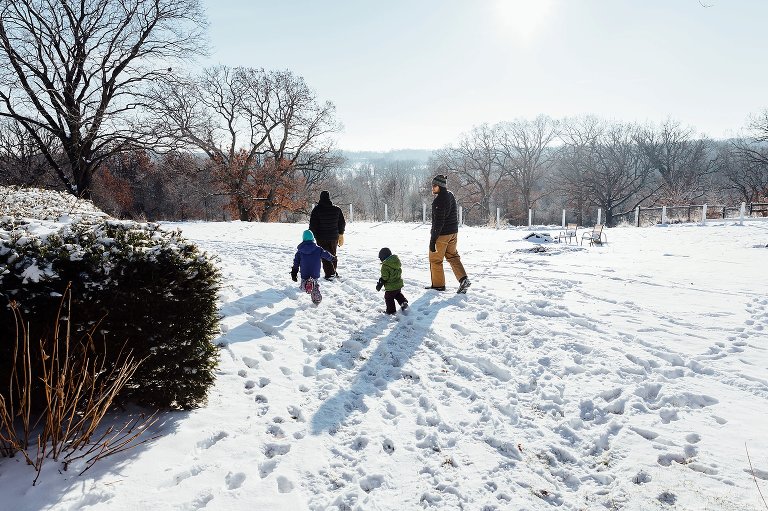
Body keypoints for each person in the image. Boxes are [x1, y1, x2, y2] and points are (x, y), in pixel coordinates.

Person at [427, 174, 471, 294]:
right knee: (452, 256)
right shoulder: (450, 195)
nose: (432, 187)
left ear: (440, 186)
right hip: (453, 232)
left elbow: (439, 222)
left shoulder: (439, 200)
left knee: (435, 259)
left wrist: (432, 241)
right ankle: (463, 279)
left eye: (434, 185)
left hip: (442, 234)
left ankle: (438, 286)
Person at [291, 229, 336, 305]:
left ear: (303, 239)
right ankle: (315, 291)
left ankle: (305, 285)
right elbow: (325, 254)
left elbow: (296, 262)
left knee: (302, 287)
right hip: (315, 272)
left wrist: (294, 272)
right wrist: (332, 258)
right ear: (313, 238)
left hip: (305, 272)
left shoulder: (300, 251)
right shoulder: (318, 249)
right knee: (315, 283)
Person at [308, 190, 346, 280]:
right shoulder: (337, 209)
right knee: (332, 254)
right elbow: (342, 223)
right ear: (329, 198)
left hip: (321, 237)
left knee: (324, 255)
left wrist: (311, 236)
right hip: (334, 237)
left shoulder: (317, 210)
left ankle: (330, 274)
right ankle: (333, 272)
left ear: (320, 198)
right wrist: (341, 233)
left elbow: (313, 224)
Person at [376, 247, 409, 314]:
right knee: (397, 294)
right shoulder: (396, 262)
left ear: (383, 257)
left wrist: (381, 282)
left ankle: (391, 311)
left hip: (390, 287)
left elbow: (385, 277)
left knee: (388, 298)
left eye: (380, 258)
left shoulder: (385, 266)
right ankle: (403, 302)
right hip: (398, 284)